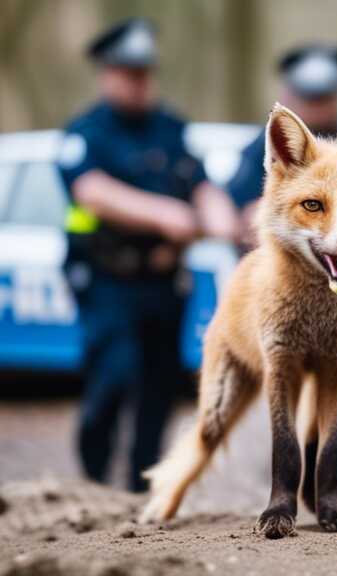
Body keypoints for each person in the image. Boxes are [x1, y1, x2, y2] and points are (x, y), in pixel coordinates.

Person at [56, 19, 238, 492]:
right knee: (113, 378)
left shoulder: (171, 128)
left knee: (158, 387)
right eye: (128, 72)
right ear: (106, 73)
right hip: (108, 282)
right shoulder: (86, 132)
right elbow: (91, 192)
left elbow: (200, 183)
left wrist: (220, 215)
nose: (138, 82)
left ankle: (141, 487)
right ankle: (94, 482)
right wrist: (163, 213)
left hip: (163, 281)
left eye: (145, 72)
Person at [227, 44, 337, 226]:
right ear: (288, 94)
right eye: (309, 98)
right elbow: (241, 207)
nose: (316, 108)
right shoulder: (271, 142)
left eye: (323, 98)